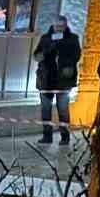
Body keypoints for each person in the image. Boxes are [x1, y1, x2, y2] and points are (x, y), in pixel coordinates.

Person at [33, 17, 82, 145]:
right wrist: (43, 53)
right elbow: (36, 54)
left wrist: (68, 65)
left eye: (62, 26)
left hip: (63, 81)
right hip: (46, 80)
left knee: (63, 109)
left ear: (66, 26)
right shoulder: (45, 38)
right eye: (57, 26)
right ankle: (47, 136)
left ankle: (65, 137)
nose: (59, 29)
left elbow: (76, 55)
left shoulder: (72, 39)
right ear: (53, 26)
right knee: (45, 109)